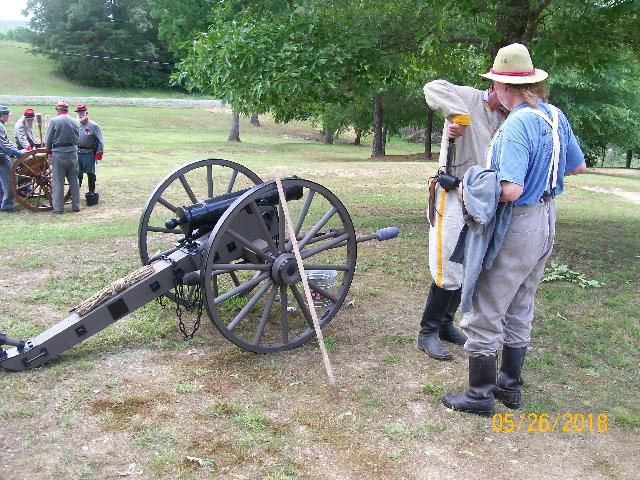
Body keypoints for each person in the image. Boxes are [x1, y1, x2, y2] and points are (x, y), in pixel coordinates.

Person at [442, 43, 587, 415]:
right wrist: (544, 176)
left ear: (506, 87)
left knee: (486, 306)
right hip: (546, 221)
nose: (494, 93)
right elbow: (577, 165)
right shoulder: (555, 116)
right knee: (521, 302)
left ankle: (479, 396)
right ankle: (510, 386)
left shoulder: (519, 122)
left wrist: (467, 184)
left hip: (519, 224)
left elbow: (511, 190)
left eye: (496, 86)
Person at [417, 79, 507, 360]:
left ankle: (445, 324)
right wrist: (458, 117)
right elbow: (433, 88)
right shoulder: (468, 97)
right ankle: (427, 331)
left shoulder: (510, 117)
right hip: (451, 193)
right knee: (447, 265)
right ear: (495, 86)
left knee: (469, 263)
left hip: (479, 198)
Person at [45, 100, 81, 214]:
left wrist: (47, 151)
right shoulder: (75, 121)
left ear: (59, 110)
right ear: (67, 110)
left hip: (58, 153)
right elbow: (78, 138)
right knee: (74, 181)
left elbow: (48, 139)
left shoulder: (54, 121)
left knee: (58, 182)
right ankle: (76, 206)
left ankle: (58, 208)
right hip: (73, 153)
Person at [74, 104, 104, 205]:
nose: (80, 114)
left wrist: (99, 153)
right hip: (78, 153)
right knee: (77, 174)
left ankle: (91, 192)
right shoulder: (75, 124)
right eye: (79, 113)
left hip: (89, 153)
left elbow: (100, 140)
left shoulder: (93, 126)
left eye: (82, 112)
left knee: (91, 174)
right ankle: (75, 194)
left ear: (86, 113)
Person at [0, 106, 26, 212]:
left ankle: (2, 202)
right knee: (11, 181)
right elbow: (4, 144)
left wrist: (15, 149)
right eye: (7, 115)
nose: (8, 117)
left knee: (2, 182)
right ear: (3, 115)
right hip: (1, 157)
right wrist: (17, 152)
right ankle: (7, 206)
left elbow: (6, 142)